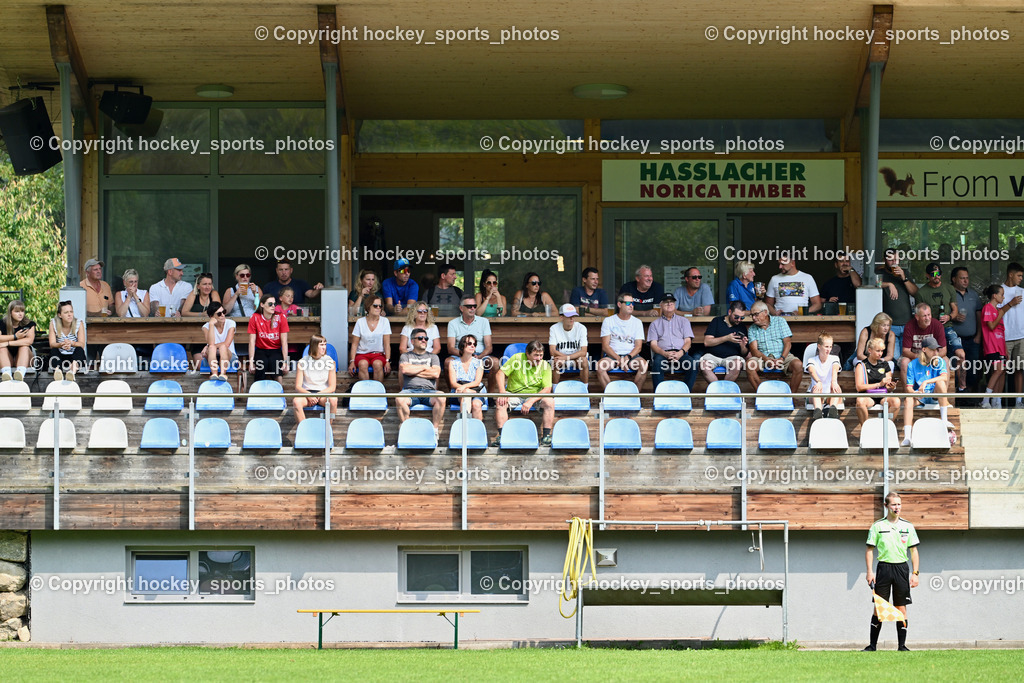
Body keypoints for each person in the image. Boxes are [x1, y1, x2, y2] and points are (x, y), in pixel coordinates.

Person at [864, 492, 920, 652]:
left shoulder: (908, 526)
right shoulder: (877, 526)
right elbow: (869, 550)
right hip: (884, 569)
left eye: (899, 504)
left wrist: (915, 573)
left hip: (901, 568)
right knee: (879, 607)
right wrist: (869, 572)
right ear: (886, 506)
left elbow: (914, 551)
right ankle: (872, 646)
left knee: (901, 608)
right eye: (894, 504)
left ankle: (902, 646)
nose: (897, 507)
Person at [492, 340, 555, 447]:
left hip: (534, 395)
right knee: (500, 402)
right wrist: (502, 392)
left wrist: (531, 401)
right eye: (536, 355)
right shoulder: (517, 358)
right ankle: (502, 436)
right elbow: (500, 373)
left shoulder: (545, 365)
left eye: (541, 355)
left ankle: (546, 437)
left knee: (550, 402)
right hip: (513, 393)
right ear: (527, 354)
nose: (539, 358)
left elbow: (547, 389)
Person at [916, 262, 965, 389]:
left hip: (947, 327)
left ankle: (962, 388)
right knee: (929, 357)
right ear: (927, 275)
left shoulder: (949, 288)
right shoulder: (922, 293)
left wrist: (949, 316)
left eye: (939, 274)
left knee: (961, 354)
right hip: (930, 329)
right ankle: (929, 389)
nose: (936, 276)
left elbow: (955, 310)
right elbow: (920, 315)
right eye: (933, 274)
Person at [902, 338, 953, 447]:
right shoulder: (912, 364)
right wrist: (915, 393)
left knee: (940, 383)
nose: (936, 353)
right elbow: (909, 388)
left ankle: (944, 420)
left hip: (935, 395)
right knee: (908, 400)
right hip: (921, 397)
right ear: (924, 349)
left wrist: (926, 382)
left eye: (937, 350)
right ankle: (907, 437)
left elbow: (944, 377)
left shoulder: (940, 361)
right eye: (933, 350)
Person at [395, 327, 446, 435]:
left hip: (430, 392)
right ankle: (406, 429)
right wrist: (425, 367)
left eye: (426, 338)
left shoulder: (433, 356)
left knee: (441, 396)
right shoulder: (405, 356)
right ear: (412, 341)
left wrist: (413, 370)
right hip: (410, 391)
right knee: (399, 398)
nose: (424, 340)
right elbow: (404, 369)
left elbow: (435, 373)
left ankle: (435, 430)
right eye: (420, 338)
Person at [746, 301, 803, 392]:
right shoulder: (752, 328)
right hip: (762, 357)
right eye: (752, 315)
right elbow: (754, 350)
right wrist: (767, 360)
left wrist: (781, 359)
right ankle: (762, 394)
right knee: (750, 365)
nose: (753, 318)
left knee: (798, 365)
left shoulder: (780, 321)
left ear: (765, 312)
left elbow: (787, 343)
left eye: (756, 314)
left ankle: (791, 396)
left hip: (782, 355)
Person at [446, 295, 500, 391]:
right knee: (447, 362)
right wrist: (465, 355)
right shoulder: (453, 323)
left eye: (474, 306)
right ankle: (453, 394)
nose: (472, 308)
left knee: (495, 362)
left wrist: (478, 357)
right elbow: (450, 348)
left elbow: (489, 347)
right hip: (460, 355)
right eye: (469, 306)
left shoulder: (484, 322)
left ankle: (491, 396)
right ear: (461, 308)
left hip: (479, 356)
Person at [597, 294, 649, 390]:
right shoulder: (608, 321)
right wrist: (619, 359)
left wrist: (627, 358)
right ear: (619, 304)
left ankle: (634, 397)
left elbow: (638, 347)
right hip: (613, 357)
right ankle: (611, 395)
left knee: (644, 365)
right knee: (600, 366)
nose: (631, 305)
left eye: (632, 303)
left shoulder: (637, 322)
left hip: (631, 357)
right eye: (628, 303)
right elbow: (605, 346)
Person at [647, 293, 697, 389]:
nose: (669, 304)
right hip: (662, 354)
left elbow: (688, 342)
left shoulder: (684, 321)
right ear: (661, 305)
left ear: (675, 305)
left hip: (680, 353)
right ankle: (659, 395)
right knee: (656, 364)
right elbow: (653, 345)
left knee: (693, 365)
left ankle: (685, 394)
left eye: (672, 302)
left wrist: (680, 353)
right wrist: (665, 354)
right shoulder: (654, 324)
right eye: (666, 302)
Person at [876, 248, 918, 351]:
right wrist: (889, 284)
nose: (894, 262)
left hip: (907, 323)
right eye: (891, 260)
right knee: (894, 356)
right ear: (884, 260)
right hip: (890, 325)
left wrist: (904, 277)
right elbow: (874, 284)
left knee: (907, 355)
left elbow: (915, 292)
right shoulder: (879, 272)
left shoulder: (905, 273)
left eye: (896, 260)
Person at [854, 337, 901, 426]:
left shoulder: (885, 364)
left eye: (882, 351)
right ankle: (866, 429)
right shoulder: (861, 365)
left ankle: (886, 428)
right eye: (878, 351)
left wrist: (891, 386)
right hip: (868, 396)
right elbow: (859, 387)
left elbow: (887, 386)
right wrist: (879, 384)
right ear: (869, 350)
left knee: (896, 401)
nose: (880, 354)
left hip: (883, 395)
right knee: (860, 401)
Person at [700, 300, 749, 384]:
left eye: (742, 318)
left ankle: (724, 389)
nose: (739, 320)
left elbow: (744, 353)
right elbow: (707, 342)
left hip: (732, 357)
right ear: (729, 312)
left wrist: (743, 346)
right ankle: (718, 390)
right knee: (703, 366)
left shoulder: (742, 327)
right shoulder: (717, 321)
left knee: (737, 365)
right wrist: (726, 338)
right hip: (713, 356)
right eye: (736, 317)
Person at [950, 267, 981, 396]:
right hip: (955, 340)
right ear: (954, 279)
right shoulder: (949, 293)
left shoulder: (973, 294)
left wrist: (979, 335)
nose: (965, 281)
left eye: (967, 278)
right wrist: (954, 317)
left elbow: (979, 316)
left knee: (973, 371)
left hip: (972, 339)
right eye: (962, 278)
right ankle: (956, 399)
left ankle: (971, 399)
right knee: (955, 372)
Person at [293, 334, 338, 423]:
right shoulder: (302, 362)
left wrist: (318, 395)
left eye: (325, 344)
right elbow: (298, 387)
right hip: (307, 393)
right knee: (296, 402)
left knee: (333, 400)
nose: (324, 347)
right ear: (314, 346)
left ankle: (327, 430)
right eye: (321, 345)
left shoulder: (330, 362)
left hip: (323, 393)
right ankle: (304, 430)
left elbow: (332, 387)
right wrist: (309, 395)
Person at [899, 303, 946, 387]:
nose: (927, 318)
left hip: (933, 356)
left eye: (929, 315)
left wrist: (931, 358)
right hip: (915, 356)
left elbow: (943, 350)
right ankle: (908, 395)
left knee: (946, 360)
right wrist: (921, 357)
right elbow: (905, 351)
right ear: (917, 317)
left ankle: (943, 396)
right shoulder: (909, 326)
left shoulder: (937, 325)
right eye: (924, 316)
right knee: (904, 362)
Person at [247, 293, 289, 384]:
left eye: (274, 304)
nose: (273, 306)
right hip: (261, 350)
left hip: (276, 350)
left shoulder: (281, 317)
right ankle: (257, 392)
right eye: (270, 304)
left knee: (275, 362)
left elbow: (284, 342)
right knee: (262, 363)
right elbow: (251, 341)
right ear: (262, 305)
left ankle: (280, 393)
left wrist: (285, 362)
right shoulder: (255, 317)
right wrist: (251, 362)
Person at [348, 293, 391, 381]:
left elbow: (387, 344)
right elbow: (354, 345)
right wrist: (352, 361)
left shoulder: (385, 321)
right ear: (368, 307)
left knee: (378, 364)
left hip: (378, 354)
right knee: (363, 364)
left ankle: (378, 392)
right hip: (362, 354)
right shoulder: (360, 322)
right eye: (375, 306)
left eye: (380, 306)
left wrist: (387, 361)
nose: (378, 308)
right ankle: (366, 392)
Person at [999, 262, 1024, 407]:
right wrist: (1011, 303)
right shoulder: (999, 291)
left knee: (1019, 369)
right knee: (1001, 370)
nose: (1021, 278)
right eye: (1019, 275)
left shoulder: (1022, 291)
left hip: (1021, 336)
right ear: (1010, 274)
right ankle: (998, 401)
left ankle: (1019, 401)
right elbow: (995, 314)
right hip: (1005, 336)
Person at [980, 284, 1008, 409]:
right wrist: (1001, 314)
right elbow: (991, 326)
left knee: (1002, 372)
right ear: (994, 296)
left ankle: (997, 401)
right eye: (1001, 294)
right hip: (991, 346)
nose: (1003, 297)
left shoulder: (998, 310)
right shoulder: (987, 308)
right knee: (998, 370)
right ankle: (986, 399)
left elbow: (1001, 332)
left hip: (1001, 347)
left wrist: (1006, 350)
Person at [549, 303, 589, 384]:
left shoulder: (581, 328)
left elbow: (583, 352)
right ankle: (555, 392)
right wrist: (566, 358)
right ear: (561, 317)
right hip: (562, 357)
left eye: (573, 316)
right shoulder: (554, 328)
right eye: (568, 316)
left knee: (584, 361)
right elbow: (552, 351)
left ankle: (585, 391)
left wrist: (567, 358)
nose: (572, 318)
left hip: (576, 358)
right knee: (555, 362)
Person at [448, 334, 485, 420]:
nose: (472, 346)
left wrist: (465, 387)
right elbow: (453, 383)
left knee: (476, 405)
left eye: (474, 344)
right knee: (466, 395)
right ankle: (465, 426)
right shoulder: (453, 363)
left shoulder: (480, 362)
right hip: (458, 390)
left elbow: (477, 382)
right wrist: (465, 390)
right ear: (462, 345)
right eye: (469, 343)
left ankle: (477, 430)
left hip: (476, 389)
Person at [47, 300, 86, 381]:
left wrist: (71, 343)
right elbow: (52, 344)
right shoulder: (53, 323)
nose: (69, 315)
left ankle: (72, 372)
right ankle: (58, 372)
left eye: (71, 312)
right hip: (60, 354)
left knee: (80, 350)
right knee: (54, 350)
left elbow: (82, 344)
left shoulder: (79, 323)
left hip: (73, 356)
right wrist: (62, 344)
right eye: (66, 312)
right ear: (60, 315)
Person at [806, 332, 843, 420]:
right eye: (826, 346)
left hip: (831, 394)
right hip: (817, 394)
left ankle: (832, 410)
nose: (829, 349)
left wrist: (834, 382)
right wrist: (818, 381)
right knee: (816, 389)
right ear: (819, 346)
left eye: (830, 347)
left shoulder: (835, 358)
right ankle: (818, 411)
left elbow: (835, 368)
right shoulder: (812, 360)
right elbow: (811, 371)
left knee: (835, 388)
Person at [0, 300, 35, 382]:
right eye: (17, 311)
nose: (20, 314)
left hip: (26, 357)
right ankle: (7, 375)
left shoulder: (29, 324)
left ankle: (20, 374)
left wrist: (7, 343)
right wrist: (15, 336)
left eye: (22, 311)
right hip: (8, 358)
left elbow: (29, 341)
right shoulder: (2, 323)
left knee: (24, 347)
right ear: (10, 312)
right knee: (1, 349)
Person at [201, 302, 236, 381]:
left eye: (223, 312)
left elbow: (227, 344)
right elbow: (211, 343)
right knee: (212, 347)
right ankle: (214, 374)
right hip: (213, 355)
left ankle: (223, 374)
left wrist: (207, 347)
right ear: (211, 316)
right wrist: (211, 325)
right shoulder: (206, 326)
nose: (223, 315)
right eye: (219, 314)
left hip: (229, 354)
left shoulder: (231, 323)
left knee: (222, 347)